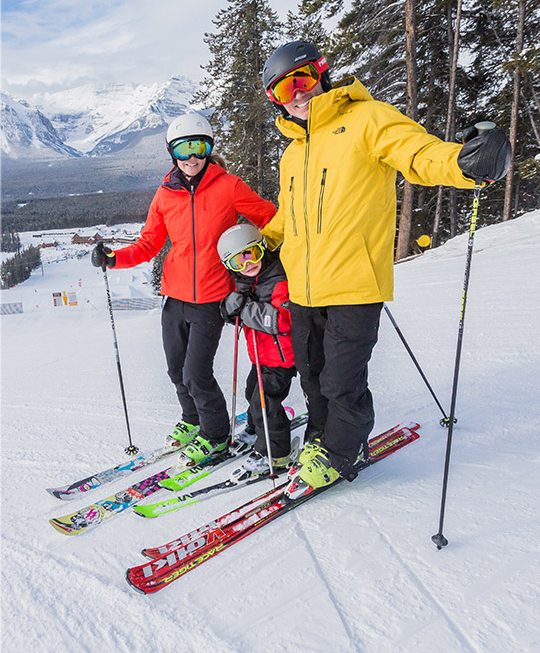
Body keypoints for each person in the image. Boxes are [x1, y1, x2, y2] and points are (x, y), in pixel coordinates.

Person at [260, 39, 511, 489]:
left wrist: (463, 163)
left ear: (322, 74)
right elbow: (287, 211)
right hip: (303, 289)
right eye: (283, 90)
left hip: (355, 283)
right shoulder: (292, 152)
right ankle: (321, 437)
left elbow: (417, 153)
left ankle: (342, 451)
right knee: (313, 377)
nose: (296, 94)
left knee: (341, 382)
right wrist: (265, 241)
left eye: (301, 80)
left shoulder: (367, 119)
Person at [91, 112, 276, 463]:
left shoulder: (229, 187)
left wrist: (263, 262)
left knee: (196, 373)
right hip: (174, 296)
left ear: (209, 149)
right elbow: (149, 243)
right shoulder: (165, 195)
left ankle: (216, 435)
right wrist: (115, 259)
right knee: (177, 369)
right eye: (183, 147)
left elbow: (269, 218)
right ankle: (192, 420)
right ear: (172, 151)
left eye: (200, 146)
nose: (192, 156)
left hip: (212, 297)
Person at [217, 224, 297, 480]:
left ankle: (276, 452)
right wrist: (230, 308)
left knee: (265, 402)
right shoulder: (246, 281)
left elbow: (280, 321)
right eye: (238, 260)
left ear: (262, 248)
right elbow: (238, 313)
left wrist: (244, 308)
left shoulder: (279, 279)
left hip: (281, 359)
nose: (248, 263)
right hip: (261, 356)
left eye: (251, 253)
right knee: (251, 392)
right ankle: (255, 429)